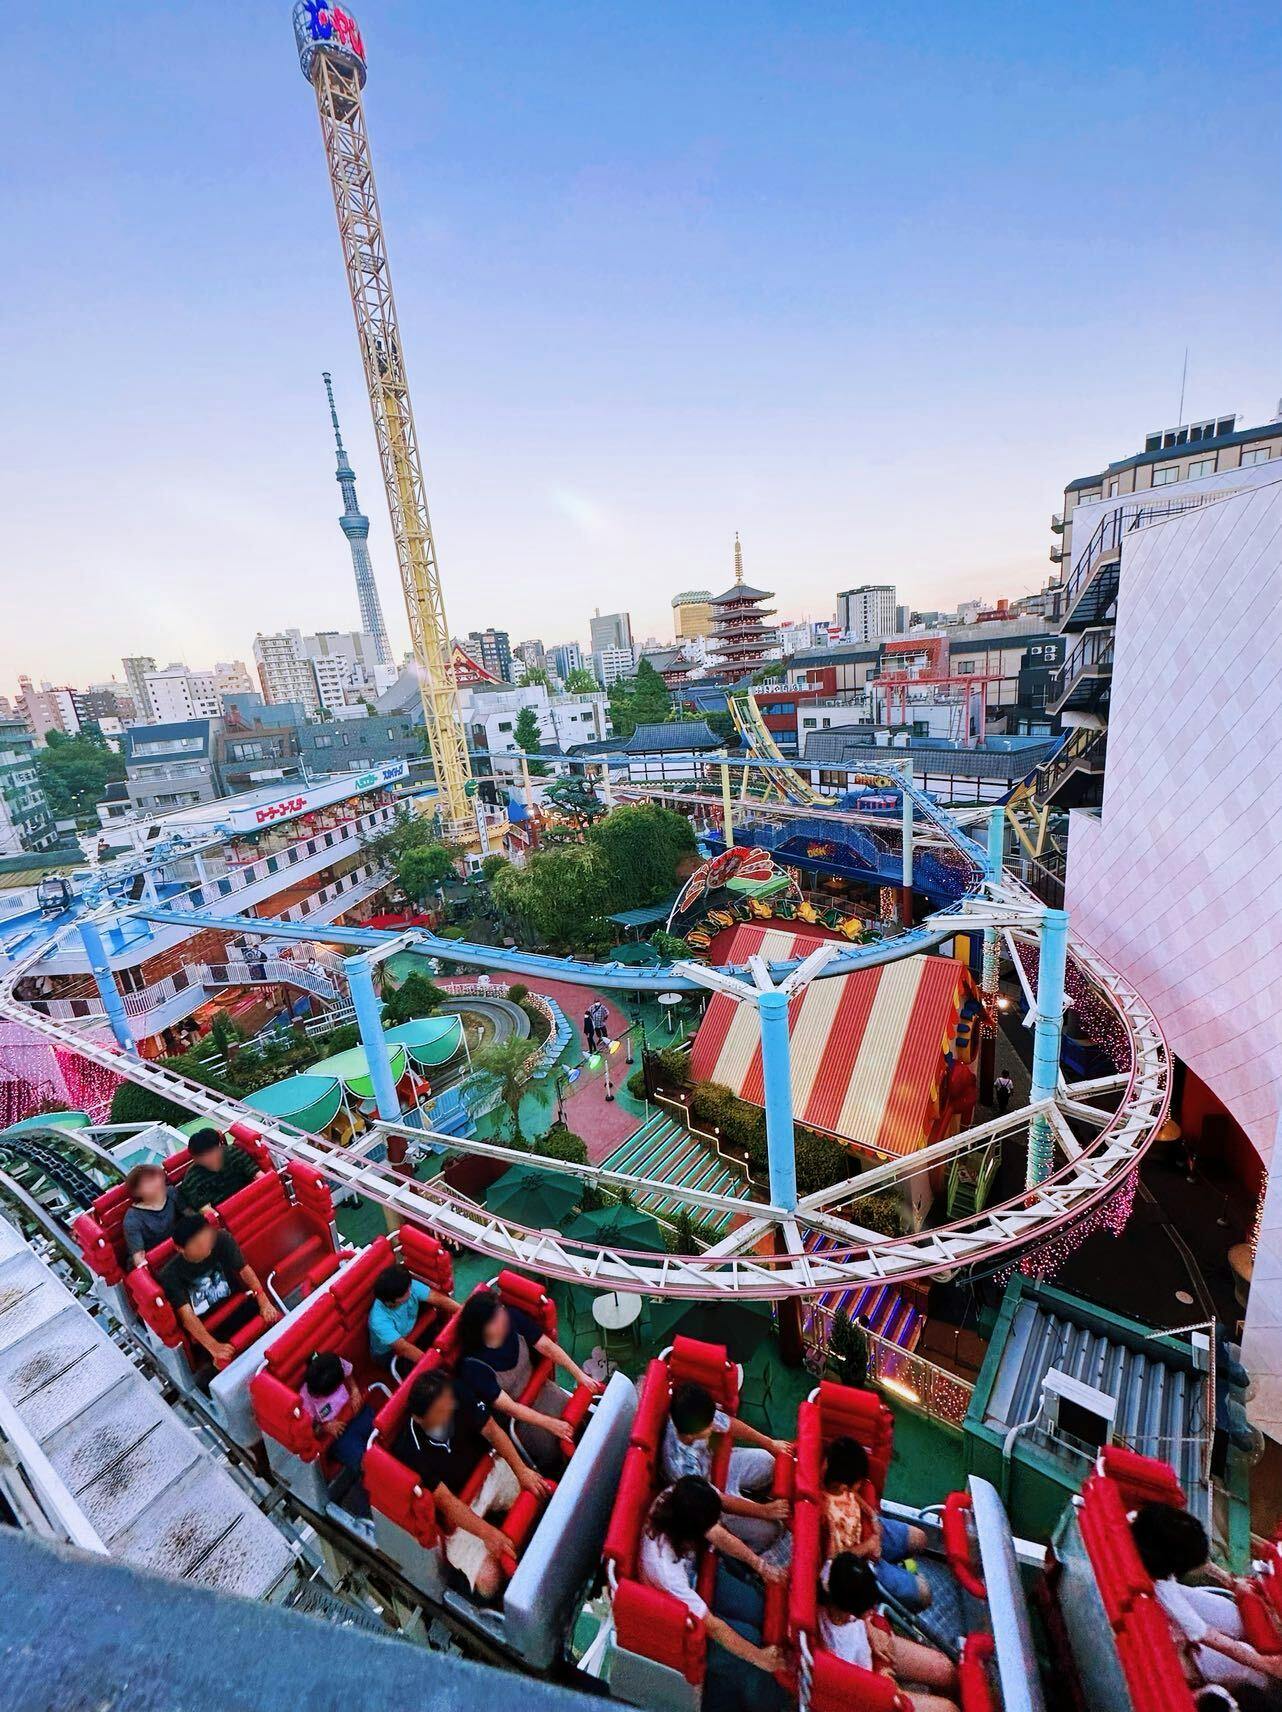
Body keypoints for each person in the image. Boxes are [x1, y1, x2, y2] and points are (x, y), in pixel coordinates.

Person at [392, 1368, 549, 1599]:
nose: (450, 1410)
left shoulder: (457, 1393)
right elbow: (446, 1502)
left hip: (487, 1473)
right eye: (440, 1410)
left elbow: (493, 1432)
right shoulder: (410, 1450)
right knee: (488, 1581)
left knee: (537, 1493)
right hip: (459, 1508)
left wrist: (522, 1470)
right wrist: (488, 1534)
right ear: (419, 1418)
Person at [639, 1476, 786, 1712]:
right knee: (752, 1644)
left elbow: (718, 1532)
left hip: (702, 1576)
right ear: (691, 1532)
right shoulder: (664, 1569)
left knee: (758, 1608)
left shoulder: (680, 1494)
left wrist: (761, 1566)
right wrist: (760, 1658)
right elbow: (713, 1626)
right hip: (686, 1622)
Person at [1131, 1503, 1282, 1695]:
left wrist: (1231, 1581)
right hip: (1159, 1629)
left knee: (1233, 1618)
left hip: (1169, 1604)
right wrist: (1268, 1665)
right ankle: (1191, 1669)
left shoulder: (1147, 1526)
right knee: (1254, 1668)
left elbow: (1195, 1557)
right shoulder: (1161, 1586)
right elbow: (1204, 1634)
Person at [456, 1289, 601, 1472]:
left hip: (543, 1389)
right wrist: (551, 1424)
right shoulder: (473, 1367)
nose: (503, 1319)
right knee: (553, 1452)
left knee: (580, 1420)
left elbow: (547, 1347)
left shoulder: (513, 1318)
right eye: (494, 1320)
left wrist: (580, 1376)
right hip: (521, 1420)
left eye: (500, 1310)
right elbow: (511, 1408)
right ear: (482, 1329)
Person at [662, 1381, 791, 1557]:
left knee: (769, 1461)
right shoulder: (682, 1468)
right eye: (708, 1427)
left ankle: (759, 1495)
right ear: (691, 1434)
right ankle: (742, 1556)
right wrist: (765, 1511)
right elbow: (718, 1500)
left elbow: (727, 1423)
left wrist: (769, 1443)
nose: (713, 1426)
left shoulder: (692, 1412)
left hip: (714, 1462)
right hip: (706, 1499)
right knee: (771, 1530)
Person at [820, 1553, 959, 1712]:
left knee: (946, 1670)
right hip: (869, 1686)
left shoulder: (833, 1572)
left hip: (874, 1647)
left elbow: (871, 1617)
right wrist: (885, 1673)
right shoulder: (835, 1650)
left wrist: (871, 1627)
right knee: (949, 1710)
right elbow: (866, 1695)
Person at [160, 1210, 280, 1370]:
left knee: (277, 1328)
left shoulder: (221, 1239)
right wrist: (213, 1346)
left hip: (240, 1306)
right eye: (197, 1244)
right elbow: (186, 1315)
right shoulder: (170, 1274)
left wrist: (263, 1300)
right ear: (180, 1249)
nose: (205, 1246)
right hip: (210, 1327)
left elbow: (244, 1269)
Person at [821, 1436, 931, 1610]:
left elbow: (852, 1493)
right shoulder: (824, 1514)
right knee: (925, 1594)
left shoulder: (833, 1468)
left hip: (868, 1529)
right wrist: (869, 1546)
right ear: (844, 1487)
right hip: (860, 1560)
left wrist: (871, 1515)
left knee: (921, 1539)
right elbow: (831, 1562)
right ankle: (888, 1593)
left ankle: (894, 1563)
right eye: (859, 1483)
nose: (861, 1485)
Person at [300, 1351, 375, 1514]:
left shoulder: (335, 1363)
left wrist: (355, 1391)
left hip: (355, 1413)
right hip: (339, 1436)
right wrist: (325, 1427)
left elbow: (348, 1374)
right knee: (366, 1466)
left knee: (381, 1434)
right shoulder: (305, 1398)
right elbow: (308, 1430)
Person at [367, 1264, 461, 1376]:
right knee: (420, 1375)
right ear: (393, 1301)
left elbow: (439, 1300)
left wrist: (463, 1311)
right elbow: (403, 1348)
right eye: (407, 1292)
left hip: (412, 1332)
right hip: (390, 1353)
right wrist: (435, 1364)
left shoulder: (408, 1288)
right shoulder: (378, 1320)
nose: (411, 1291)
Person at [178, 1126, 262, 1214]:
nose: (207, 1159)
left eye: (211, 1152)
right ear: (194, 1158)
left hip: (254, 1201)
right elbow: (207, 1211)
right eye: (201, 1156)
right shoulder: (191, 1179)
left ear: (219, 1147)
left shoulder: (234, 1153)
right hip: (228, 1216)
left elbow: (259, 1176)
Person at [122, 1163, 180, 1268]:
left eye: (157, 1177)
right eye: (149, 1182)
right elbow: (139, 1258)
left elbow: (191, 1215)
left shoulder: (171, 1193)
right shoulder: (133, 1219)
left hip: (182, 1247)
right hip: (159, 1263)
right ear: (136, 1192)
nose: (157, 1183)